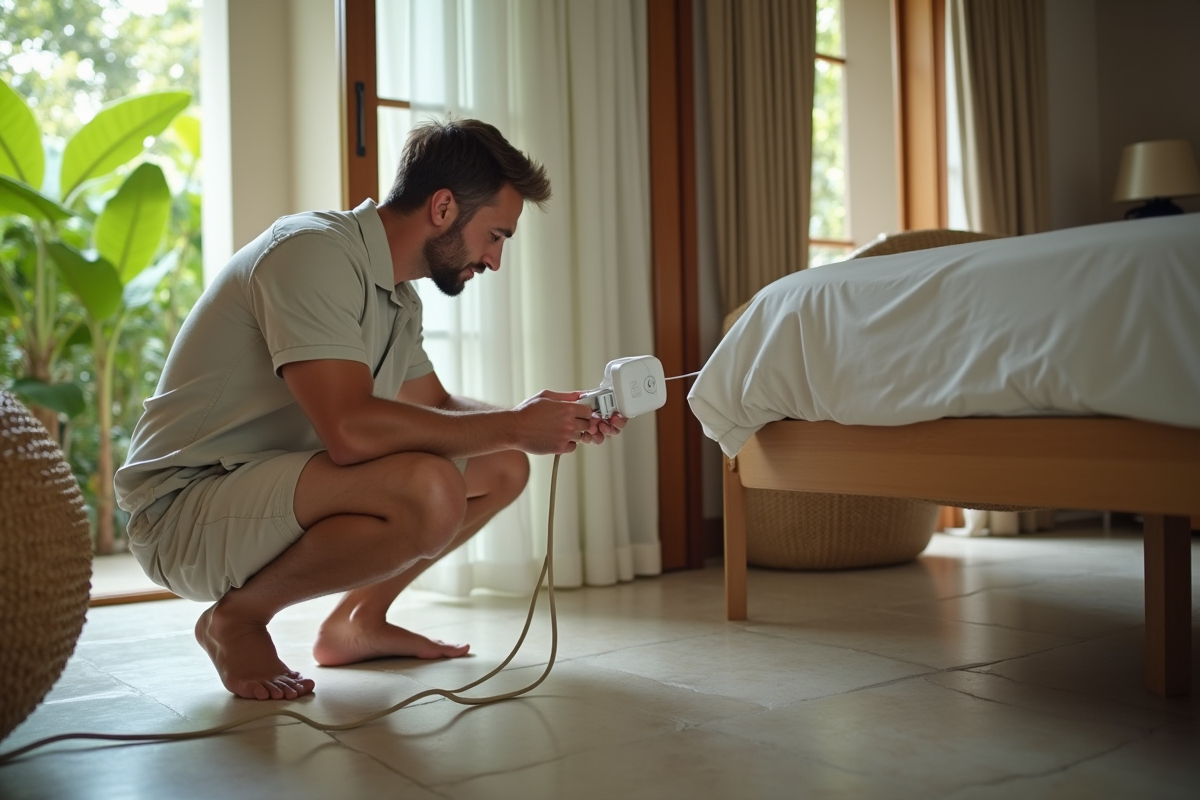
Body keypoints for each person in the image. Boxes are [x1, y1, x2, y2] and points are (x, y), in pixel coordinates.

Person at [115, 118, 624, 701]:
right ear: (443, 208)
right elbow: (350, 431)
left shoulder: (398, 297)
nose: (495, 259)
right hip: (183, 512)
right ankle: (237, 620)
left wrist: (546, 419)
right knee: (430, 487)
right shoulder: (310, 252)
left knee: (503, 464)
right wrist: (514, 425)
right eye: (495, 235)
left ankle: (357, 621)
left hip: (263, 488)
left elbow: (437, 409)